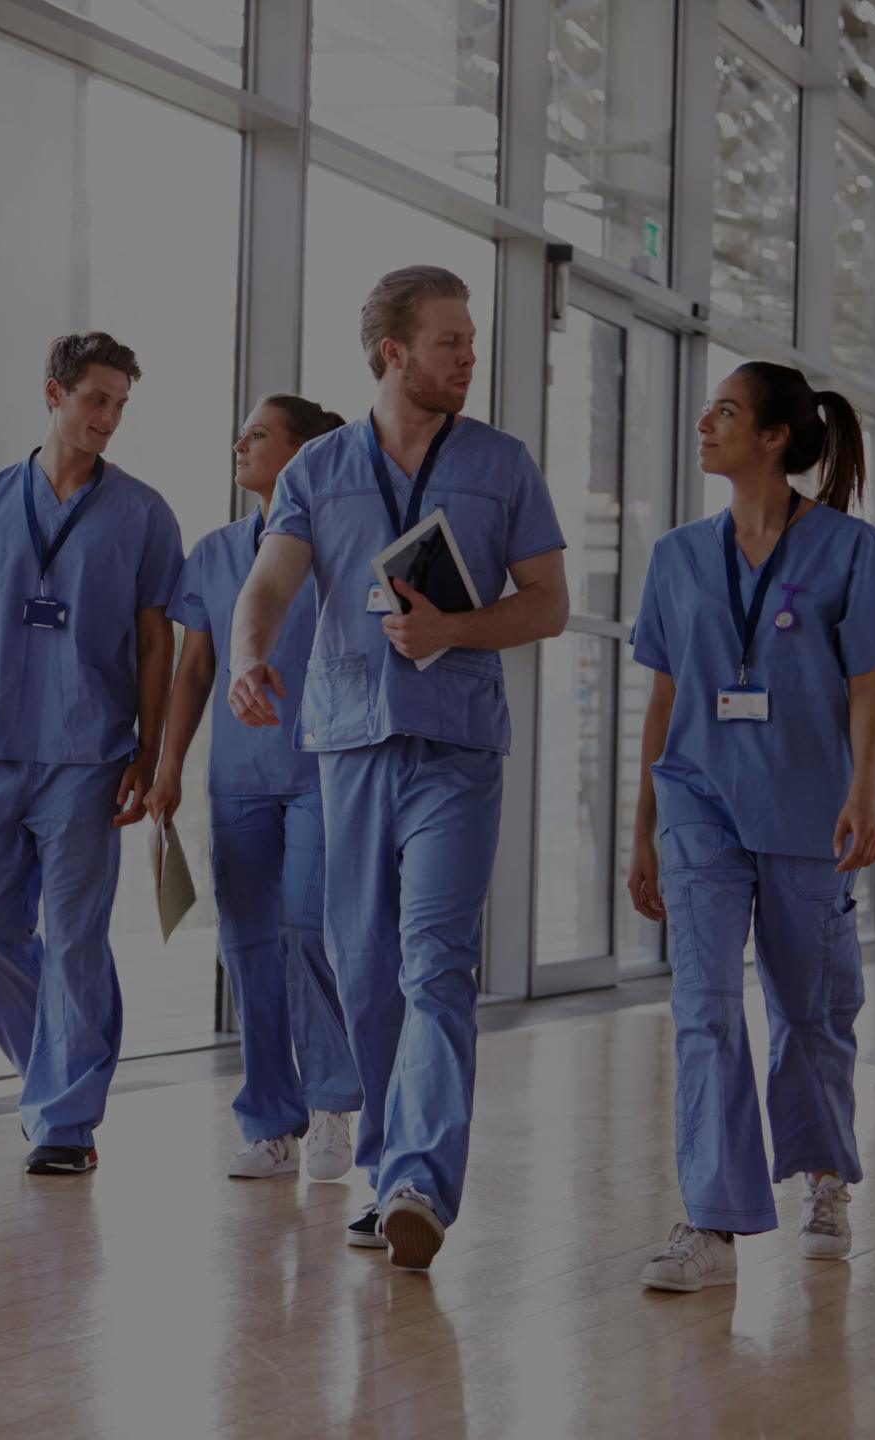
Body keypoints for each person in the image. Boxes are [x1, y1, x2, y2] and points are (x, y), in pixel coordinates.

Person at [227, 267, 570, 1270]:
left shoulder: (503, 465)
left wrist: (454, 627)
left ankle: (420, 1174)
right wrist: (250, 658)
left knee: (434, 962)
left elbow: (547, 601)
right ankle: (386, 1172)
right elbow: (268, 584)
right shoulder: (318, 470)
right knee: (367, 970)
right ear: (393, 353)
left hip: (457, 747)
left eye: (470, 341)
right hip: (348, 746)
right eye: (450, 342)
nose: (470, 358)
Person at [625, 361, 875, 1291]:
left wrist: (864, 794)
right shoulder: (677, 556)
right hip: (699, 807)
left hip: (807, 807)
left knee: (810, 1009)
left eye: (726, 410)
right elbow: (665, 695)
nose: (704, 421)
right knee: (705, 1009)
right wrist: (642, 827)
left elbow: (869, 684)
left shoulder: (849, 550)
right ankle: (711, 1223)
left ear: (774, 439)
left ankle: (825, 1175)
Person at [0, 331, 183, 1177]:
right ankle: (50, 1078)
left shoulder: (143, 513)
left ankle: (66, 1119)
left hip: (90, 754)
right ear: (53, 395)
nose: (109, 418)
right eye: (96, 399)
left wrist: (149, 746)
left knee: (74, 939)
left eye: (120, 405)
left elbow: (154, 643)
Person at [146, 395, 363, 1184]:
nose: (241, 441)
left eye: (260, 433)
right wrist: (168, 768)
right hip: (236, 780)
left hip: (322, 770)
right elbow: (194, 668)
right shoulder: (212, 552)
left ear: (306, 454)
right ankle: (272, 1120)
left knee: (306, 928)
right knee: (247, 949)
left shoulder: (339, 548)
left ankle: (336, 1102)